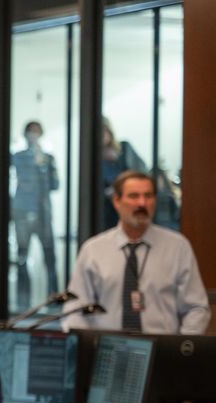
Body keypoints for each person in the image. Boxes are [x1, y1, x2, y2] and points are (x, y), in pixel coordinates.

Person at [63, 170, 210, 335]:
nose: (142, 203)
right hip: (106, 352)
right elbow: (75, 308)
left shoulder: (177, 247)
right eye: (134, 196)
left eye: (148, 196)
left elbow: (196, 308)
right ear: (117, 201)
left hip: (162, 352)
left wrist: (181, 349)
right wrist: (86, 348)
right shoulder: (93, 250)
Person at [11, 121, 60, 309]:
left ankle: (54, 302)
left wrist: (42, 165)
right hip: (23, 213)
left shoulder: (48, 158)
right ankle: (23, 303)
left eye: (37, 132)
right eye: (31, 132)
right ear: (25, 135)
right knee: (22, 258)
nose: (34, 136)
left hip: (43, 216)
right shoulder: (19, 157)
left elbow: (55, 185)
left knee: (50, 258)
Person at [101, 118, 147, 231]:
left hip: (130, 201)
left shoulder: (125, 148)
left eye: (104, 130)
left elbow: (141, 171)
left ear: (109, 131)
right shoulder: (92, 157)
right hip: (107, 210)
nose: (102, 135)